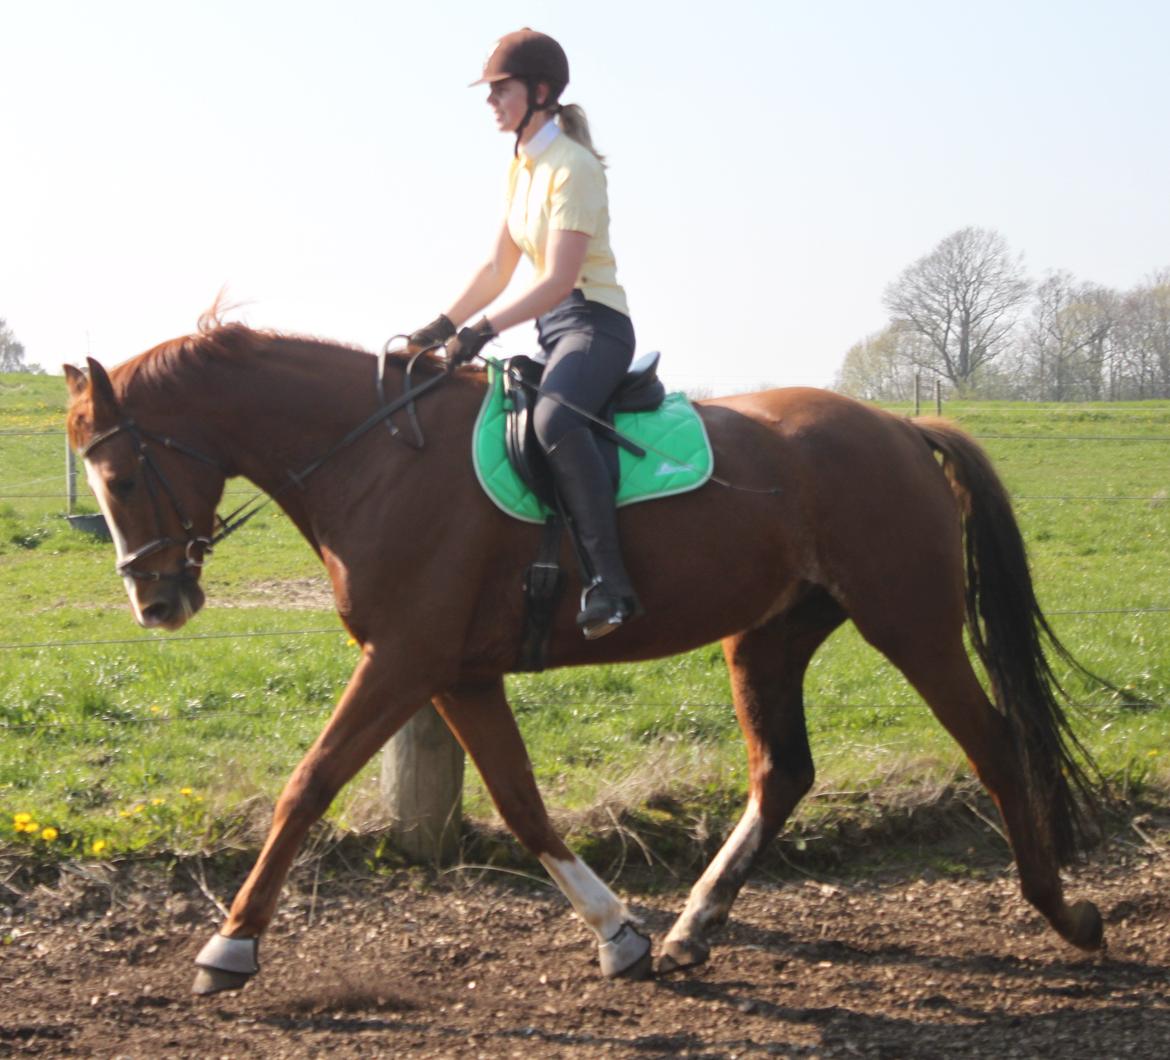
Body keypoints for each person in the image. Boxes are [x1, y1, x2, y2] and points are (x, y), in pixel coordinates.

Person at [408, 28, 640, 640]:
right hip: (552, 330)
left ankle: (610, 586)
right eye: (489, 93)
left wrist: (483, 329)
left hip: (595, 325)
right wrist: (440, 326)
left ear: (539, 92)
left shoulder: (574, 168)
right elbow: (497, 269)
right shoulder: (523, 168)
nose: (490, 103)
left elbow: (561, 279)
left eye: (499, 90)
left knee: (555, 421)